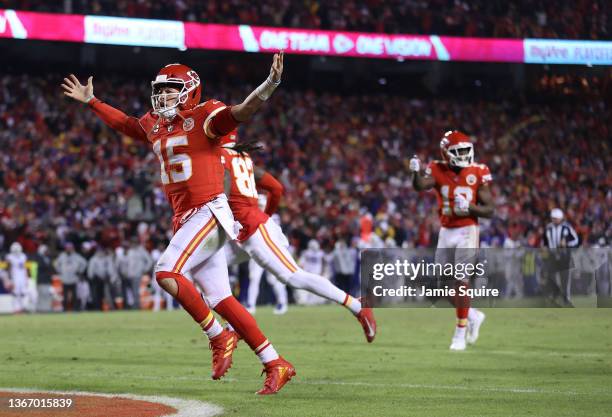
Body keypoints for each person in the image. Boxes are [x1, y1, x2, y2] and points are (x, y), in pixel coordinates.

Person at [62, 53, 295, 394]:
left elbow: (242, 111)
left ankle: (218, 336)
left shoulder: (204, 117)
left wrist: (269, 84)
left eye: (170, 90)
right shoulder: (155, 124)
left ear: (189, 92)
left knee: (165, 272)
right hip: (185, 216)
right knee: (221, 298)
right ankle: (275, 362)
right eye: (160, 91)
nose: (162, 96)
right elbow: (127, 124)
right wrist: (93, 101)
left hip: (209, 210)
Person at [220, 135, 376, 342]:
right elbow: (276, 188)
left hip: (252, 229)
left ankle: (358, 306)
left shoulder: (219, 157)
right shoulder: (243, 158)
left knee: (292, 276)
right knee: (206, 267)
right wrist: (266, 215)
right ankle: (234, 324)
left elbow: (220, 196)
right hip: (246, 228)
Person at [410, 130, 494, 350]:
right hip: (446, 230)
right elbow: (420, 186)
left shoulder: (479, 170)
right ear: (446, 153)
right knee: (438, 287)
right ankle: (473, 315)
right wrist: (416, 172)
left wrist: (470, 207)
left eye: (467, 150)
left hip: (468, 229)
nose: (464, 154)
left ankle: (459, 333)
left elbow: (490, 210)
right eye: (459, 151)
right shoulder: (437, 168)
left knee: (461, 281)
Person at [542, 208, 580, 306]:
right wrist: (545, 248)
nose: (554, 220)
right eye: (553, 218)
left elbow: (576, 240)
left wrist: (566, 243)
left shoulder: (566, 227)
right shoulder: (548, 228)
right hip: (552, 256)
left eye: (556, 218)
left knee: (565, 278)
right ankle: (554, 295)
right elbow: (545, 242)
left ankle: (566, 298)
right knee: (551, 277)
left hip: (564, 256)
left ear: (560, 218)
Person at [54, 242, 87, 312]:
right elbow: (56, 264)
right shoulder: (62, 256)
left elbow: (84, 263)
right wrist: (60, 271)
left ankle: (75, 309)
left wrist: (79, 271)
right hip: (65, 279)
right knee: (65, 296)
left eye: (70, 248)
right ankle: (65, 309)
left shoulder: (76, 256)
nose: (69, 249)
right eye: (67, 248)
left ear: (72, 248)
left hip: (74, 279)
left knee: (75, 295)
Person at [122, 238, 153, 310]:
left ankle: (138, 306)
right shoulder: (129, 251)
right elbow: (126, 263)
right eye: (132, 242)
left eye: (134, 242)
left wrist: (145, 270)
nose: (133, 244)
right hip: (130, 275)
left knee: (143, 290)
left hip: (139, 275)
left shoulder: (141, 251)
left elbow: (149, 261)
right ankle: (136, 305)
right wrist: (125, 272)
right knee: (133, 292)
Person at [5, 242, 30, 313]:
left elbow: (25, 268)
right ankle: (16, 309)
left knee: (23, 293)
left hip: (22, 277)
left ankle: (22, 308)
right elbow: (8, 269)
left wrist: (26, 278)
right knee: (15, 294)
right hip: (14, 277)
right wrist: (9, 279)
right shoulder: (9, 257)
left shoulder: (23, 256)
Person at [32, 244, 55, 313]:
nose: (47, 252)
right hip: (41, 280)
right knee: (41, 295)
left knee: (47, 295)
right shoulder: (37, 258)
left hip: (47, 280)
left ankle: (46, 308)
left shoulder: (47, 258)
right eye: (45, 250)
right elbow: (40, 268)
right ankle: (40, 309)